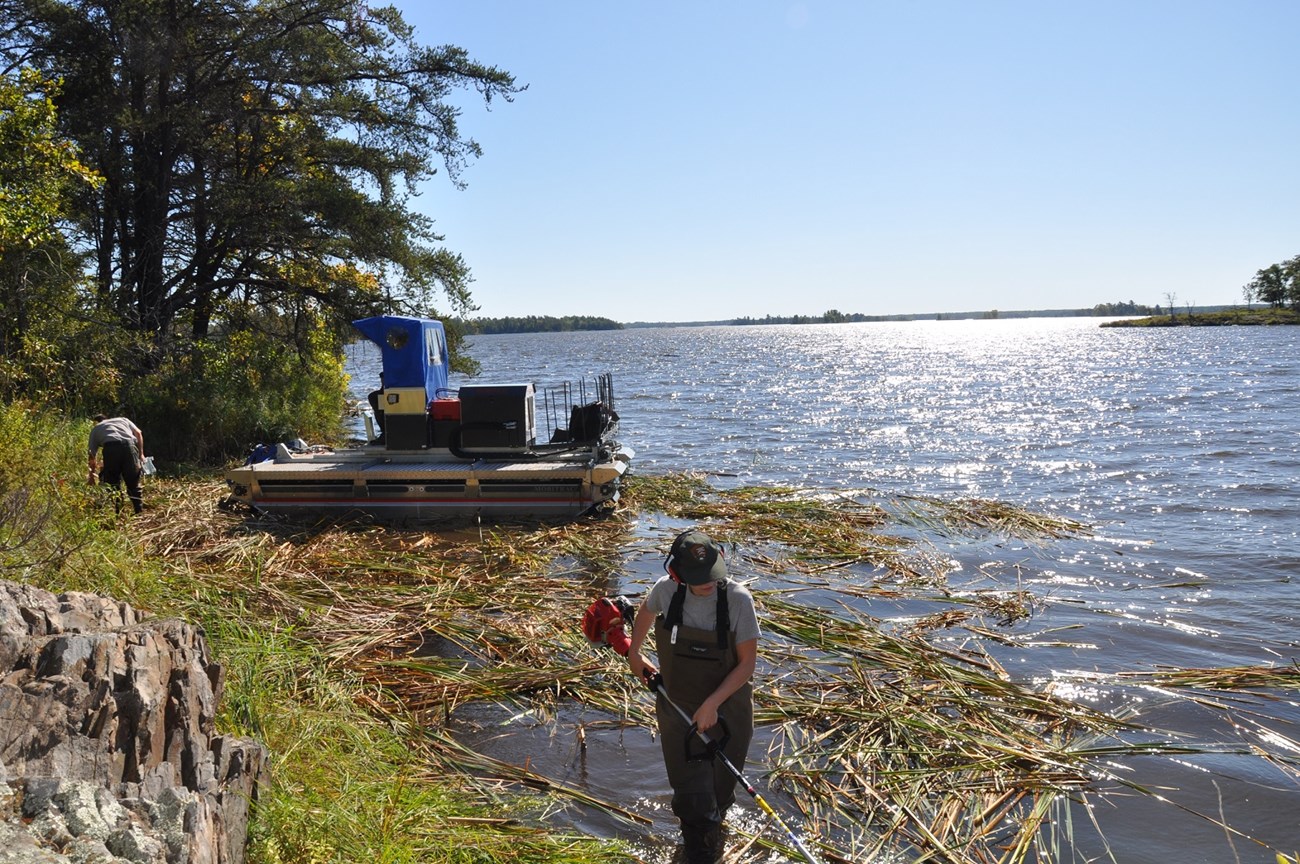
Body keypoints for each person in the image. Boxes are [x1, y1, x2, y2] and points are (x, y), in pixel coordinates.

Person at [627, 530, 760, 864]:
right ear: (676, 573)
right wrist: (634, 653)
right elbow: (645, 612)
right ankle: (699, 849)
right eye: (698, 579)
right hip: (678, 707)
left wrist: (712, 704)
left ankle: (715, 830)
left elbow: (746, 665)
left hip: (729, 708)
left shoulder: (738, 600)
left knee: (721, 789)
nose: (708, 583)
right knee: (691, 796)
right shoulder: (666, 590)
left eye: (712, 576)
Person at [88, 414, 146, 514]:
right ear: (107, 419)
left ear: (97, 422)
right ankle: (138, 510)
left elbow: (91, 455)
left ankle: (118, 512)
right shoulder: (123, 420)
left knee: (113, 481)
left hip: (111, 450)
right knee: (133, 479)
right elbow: (138, 433)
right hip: (129, 446)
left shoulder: (96, 429)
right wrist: (141, 454)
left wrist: (91, 476)